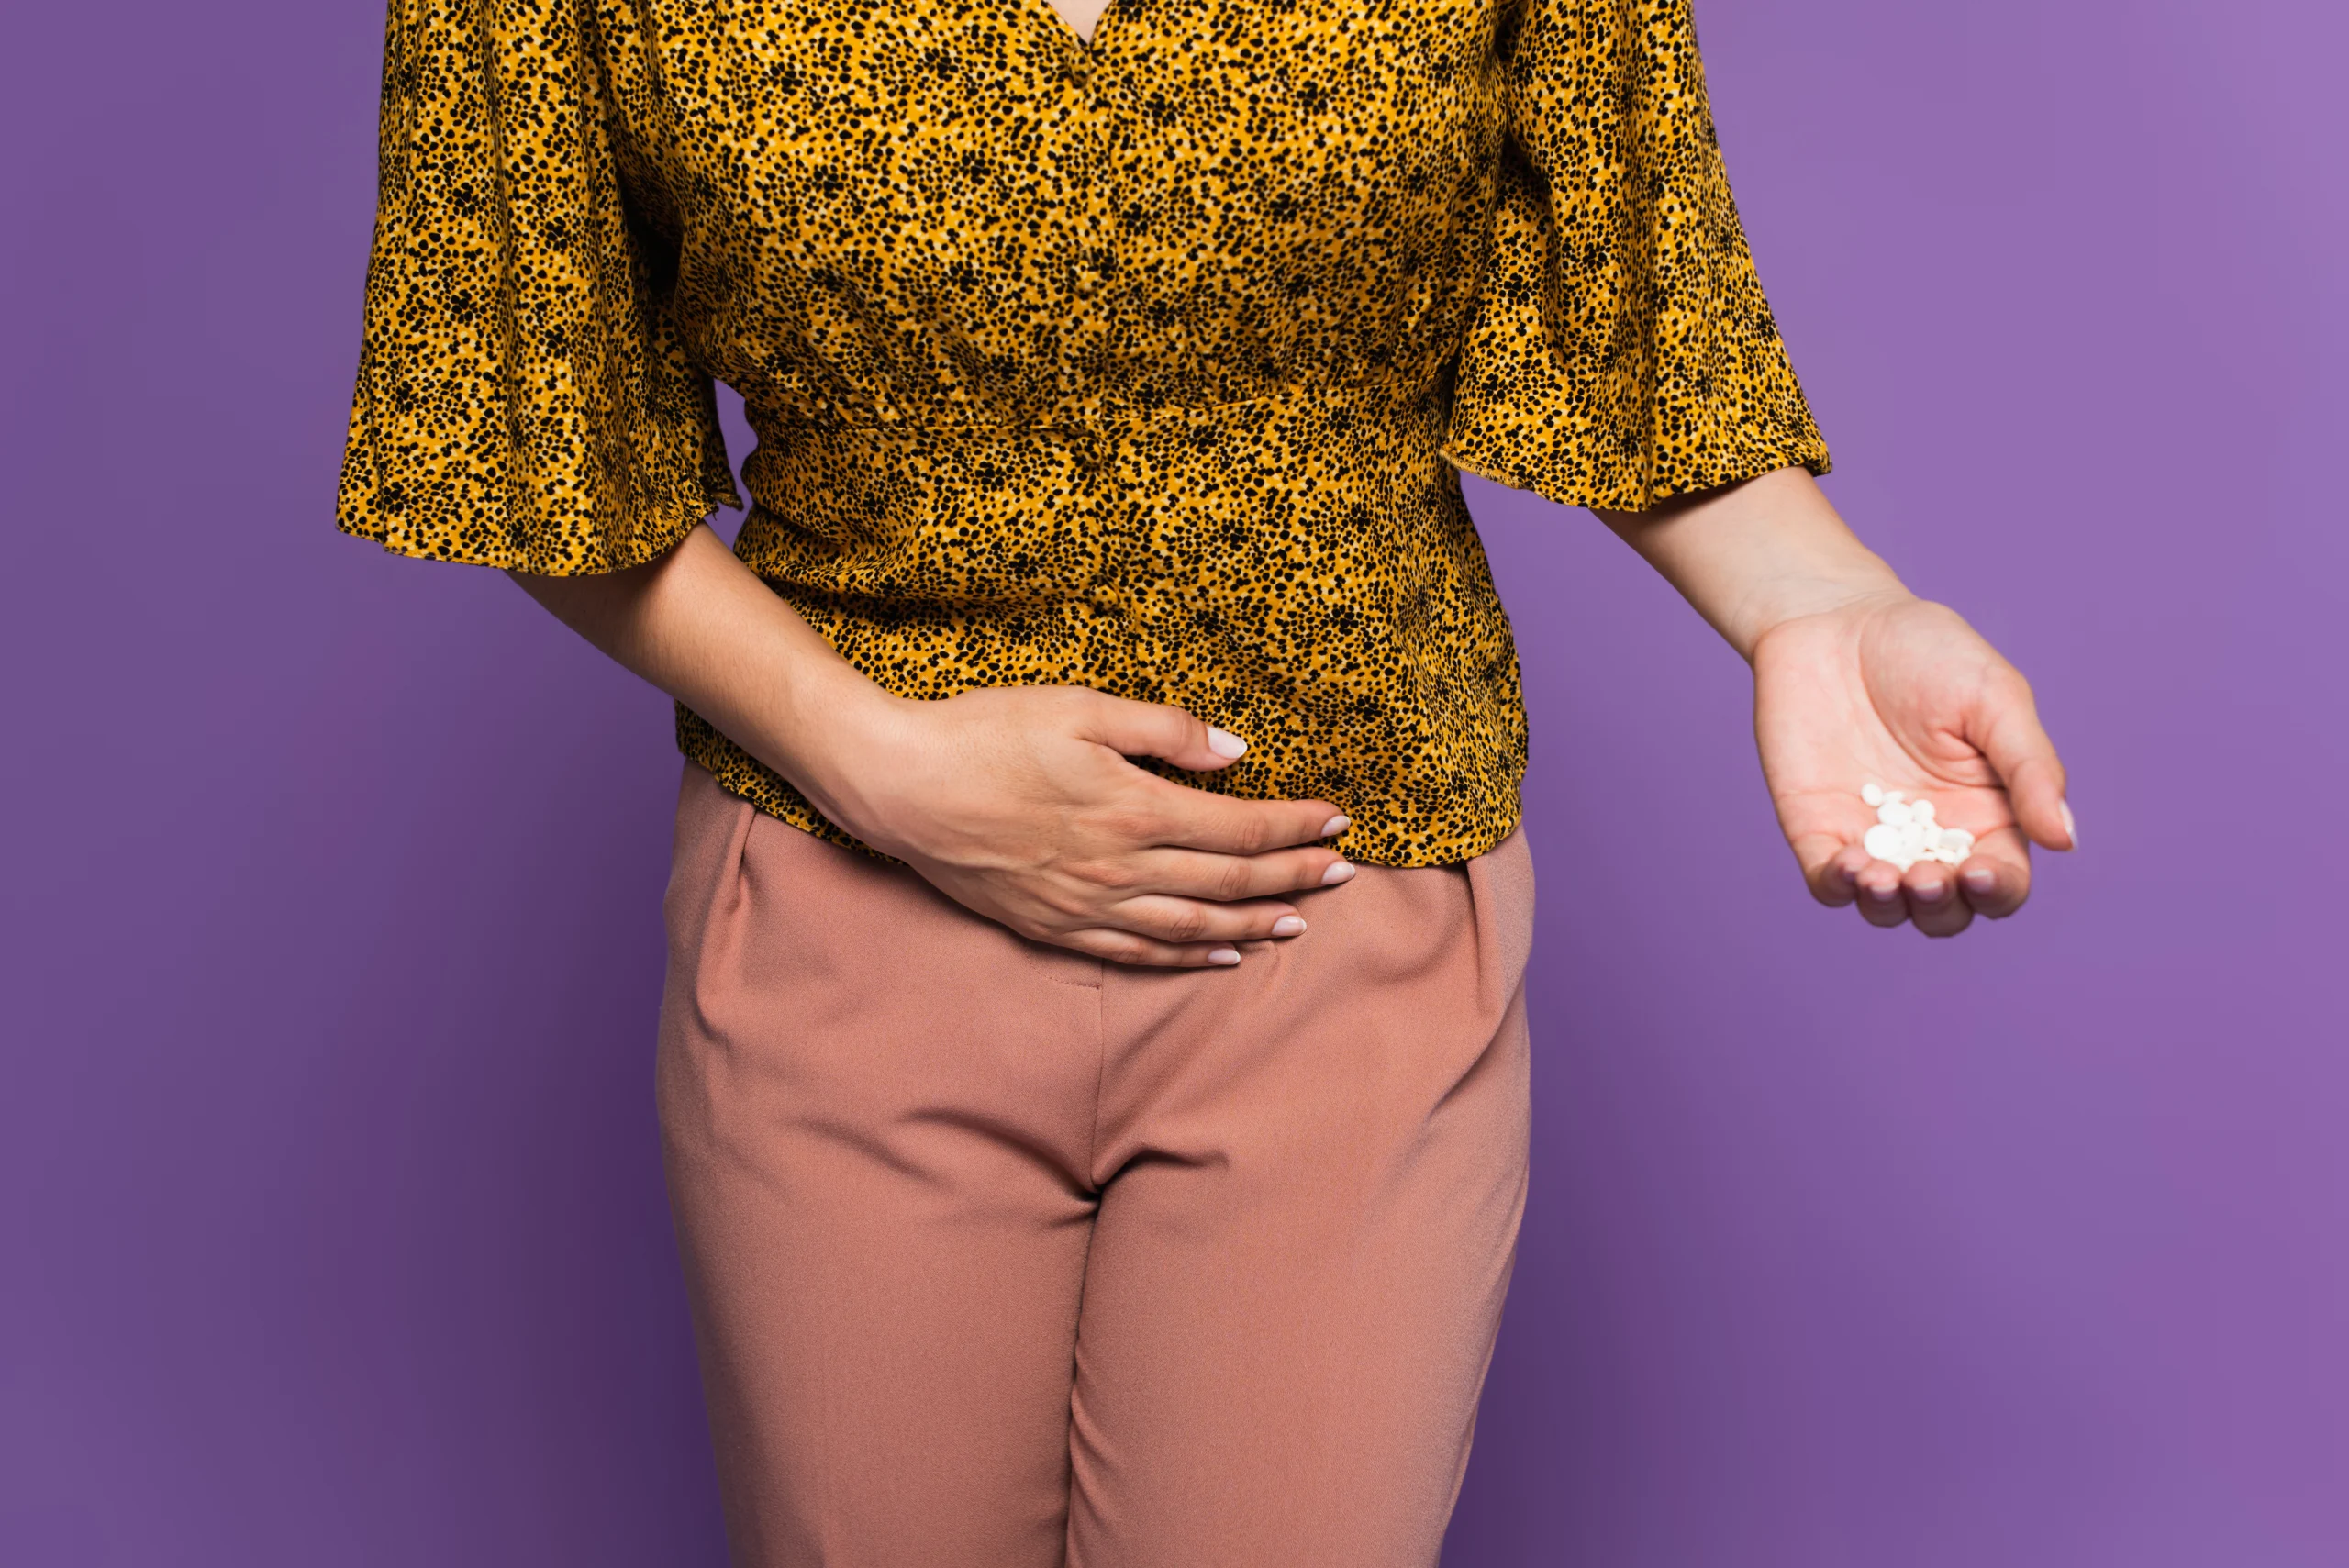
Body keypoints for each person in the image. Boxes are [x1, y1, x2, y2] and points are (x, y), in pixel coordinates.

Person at [337, 0, 2073, 1561]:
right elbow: (514, 426)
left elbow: (1642, 339)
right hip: (841, 911)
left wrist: (1830, 611)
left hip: (1349, 907)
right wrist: (884, 766)